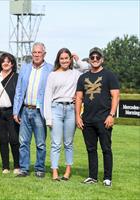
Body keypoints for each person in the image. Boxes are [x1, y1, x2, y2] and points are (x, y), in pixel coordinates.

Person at [75, 47, 120, 187]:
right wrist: (77, 116)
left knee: (106, 149)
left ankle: (107, 178)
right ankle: (92, 177)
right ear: (89, 59)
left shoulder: (109, 75)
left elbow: (116, 96)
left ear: (102, 59)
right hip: (87, 119)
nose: (95, 59)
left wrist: (111, 115)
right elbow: (78, 98)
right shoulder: (82, 77)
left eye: (97, 57)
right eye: (92, 57)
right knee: (91, 149)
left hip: (104, 119)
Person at [44, 48, 89, 181]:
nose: (64, 60)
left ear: (70, 59)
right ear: (58, 60)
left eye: (66, 58)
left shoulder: (76, 73)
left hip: (71, 109)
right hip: (55, 109)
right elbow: (47, 96)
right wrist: (48, 118)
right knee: (56, 143)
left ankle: (68, 171)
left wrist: (78, 59)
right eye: (62, 58)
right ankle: (55, 171)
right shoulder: (52, 75)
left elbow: (88, 68)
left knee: (68, 143)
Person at [13, 42, 53, 178]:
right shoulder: (24, 68)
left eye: (39, 52)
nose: (36, 55)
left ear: (44, 54)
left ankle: (39, 168)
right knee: (23, 142)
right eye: (34, 52)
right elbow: (18, 91)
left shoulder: (50, 70)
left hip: (39, 112)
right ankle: (24, 168)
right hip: (25, 110)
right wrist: (15, 111)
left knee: (41, 143)